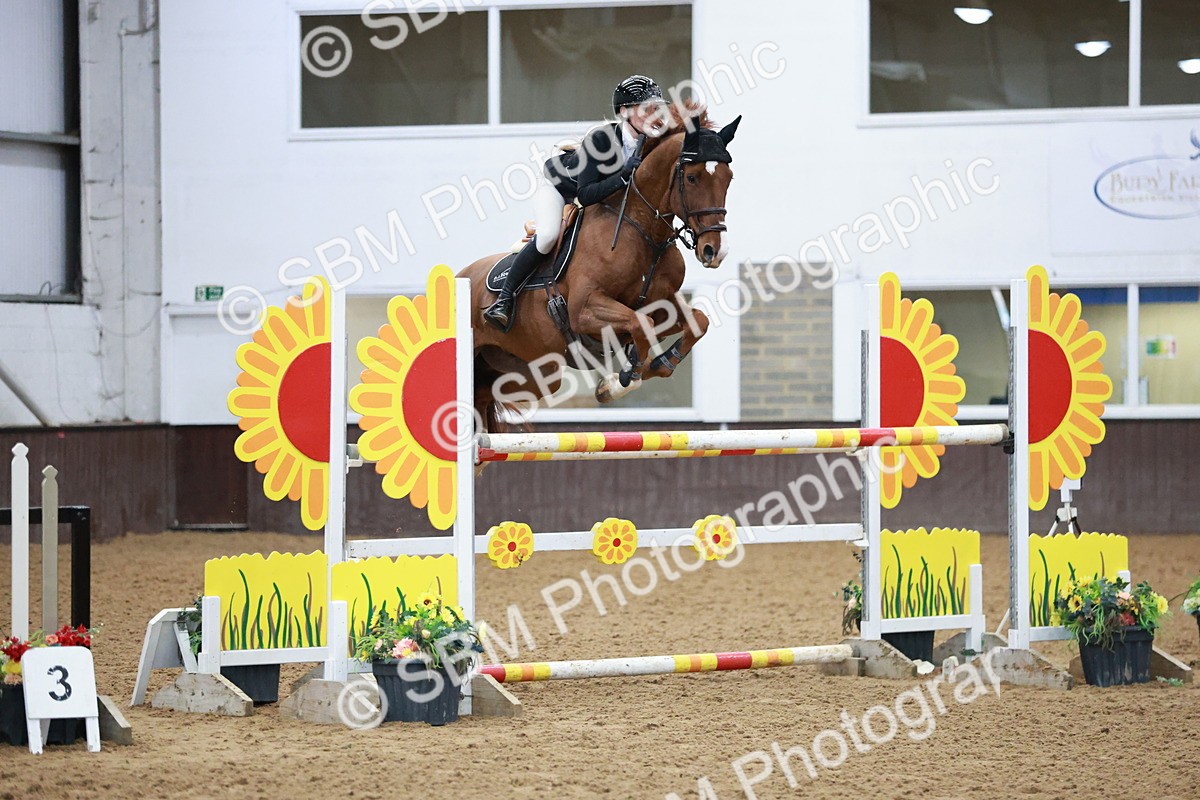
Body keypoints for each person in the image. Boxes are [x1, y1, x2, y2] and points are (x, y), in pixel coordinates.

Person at [482, 75, 670, 332]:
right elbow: (586, 194)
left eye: (657, 108)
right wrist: (623, 176)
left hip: (603, 195)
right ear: (624, 112)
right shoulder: (601, 140)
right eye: (647, 109)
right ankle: (504, 300)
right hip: (559, 189)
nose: (654, 116)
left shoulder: (653, 141)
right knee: (548, 236)